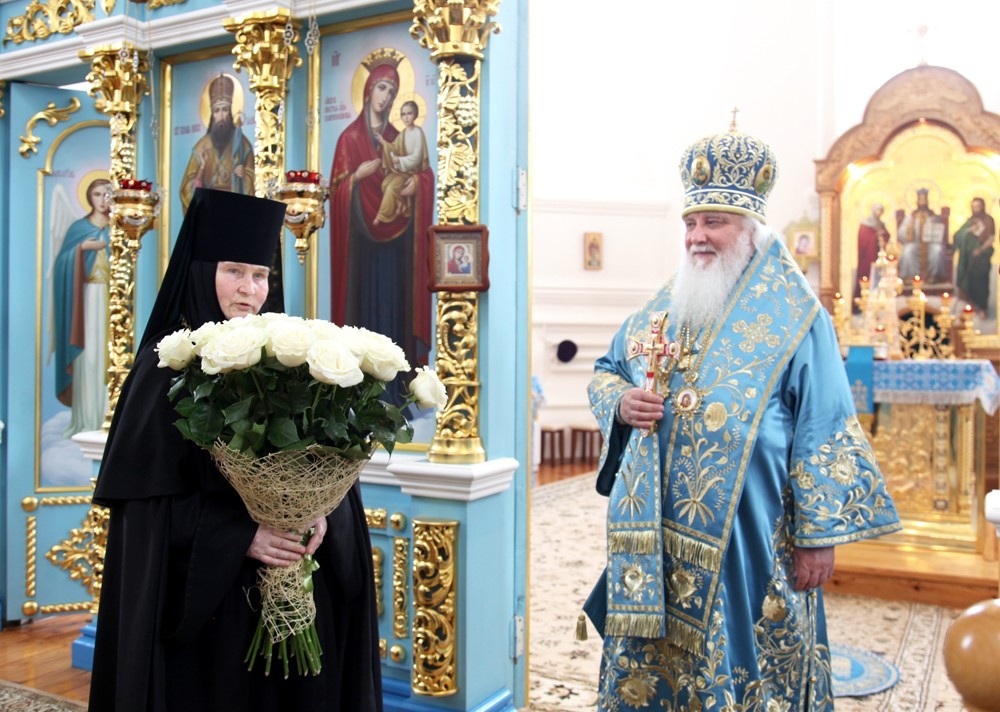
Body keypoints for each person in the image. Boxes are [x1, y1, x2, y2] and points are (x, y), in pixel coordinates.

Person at [585, 129, 901, 711]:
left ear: (751, 227)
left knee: (746, 666)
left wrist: (818, 538)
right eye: (690, 223)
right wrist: (622, 403)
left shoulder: (797, 316)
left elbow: (824, 427)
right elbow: (608, 370)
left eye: (714, 222)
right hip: (658, 537)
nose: (697, 236)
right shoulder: (668, 304)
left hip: (754, 536)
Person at [89, 189, 382, 711]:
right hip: (212, 618)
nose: (250, 290)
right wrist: (243, 536)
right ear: (203, 272)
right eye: (234, 272)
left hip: (294, 584)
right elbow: (145, 512)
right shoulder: (164, 371)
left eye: (261, 275)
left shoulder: (293, 363)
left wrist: (319, 512)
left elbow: (324, 469)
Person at [329, 53, 434, 402]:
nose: (386, 96)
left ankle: (394, 394)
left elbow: (422, 171)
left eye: (391, 90)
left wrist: (417, 184)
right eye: (381, 88)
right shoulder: (349, 139)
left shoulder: (398, 136)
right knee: (361, 315)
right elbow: (336, 190)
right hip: (359, 246)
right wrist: (356, 178)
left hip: (397, 249)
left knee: (394, 314)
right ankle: (357, 396)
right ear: (369, 90)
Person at [52, 177, 111, 436]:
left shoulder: (121, 227)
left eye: (107, 194)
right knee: (89, 357)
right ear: (89, 197)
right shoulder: (79, 229)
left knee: (109, 354)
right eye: (97, 194)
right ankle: (86, 420)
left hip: (115, 300)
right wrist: (81, 249)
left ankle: (110, 415)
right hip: (86, 301)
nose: (102, 200)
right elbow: (61, 265)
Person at [179, 74, 255, 214]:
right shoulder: (201, 146)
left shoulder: (243, 145)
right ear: (212, 114)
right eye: (217, 111)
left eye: (225, 110)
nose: (221, 116)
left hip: (233, 211)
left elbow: (254, 179)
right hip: (209, 212)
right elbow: (186, 189)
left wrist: (244, 175)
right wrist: (202, 168)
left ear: (230, 112)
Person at [375, 100, 429, 225]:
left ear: (415, 115)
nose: (406, 117)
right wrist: (383, 142)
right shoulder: (403, 134)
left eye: (409, 113)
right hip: (401, 171)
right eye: (403, 114)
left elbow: (417, 157)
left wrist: (399, 160)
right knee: (384, 184)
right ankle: (401, 203)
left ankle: (381, 216)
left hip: (411, 172)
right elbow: (394, 148)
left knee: (391, 188)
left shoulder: (418, 133)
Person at [954, 197, 996, 315]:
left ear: (982, 206)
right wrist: (969, 230)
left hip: (982, 257)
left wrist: (980, 250)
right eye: (973, 206)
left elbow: (991, 238)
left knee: (981, 281)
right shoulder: (970, 221)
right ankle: (970, 305)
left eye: (978, 206)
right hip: (968, 257)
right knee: (969, 280)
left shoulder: (989, 220)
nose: (976, 209)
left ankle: (982, 307)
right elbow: (958, 236)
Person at [897, 188, 948, 284]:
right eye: (921, 199)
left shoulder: (934, 217)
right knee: (908, 251)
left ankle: (934, 276)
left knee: (937, 250)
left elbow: (941, 232)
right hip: (915, 242)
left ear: (927, 201)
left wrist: (934, 229)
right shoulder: (911, 217)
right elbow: (901, 234)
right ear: (917, 201)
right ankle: (910, 277)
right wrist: (908, 231)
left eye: (924, 200)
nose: (923, 202)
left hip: (930, 244)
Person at [854, 204, 889, 305]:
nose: (879, 213)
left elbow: (887, 236)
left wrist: (883, 235)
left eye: (881, 211)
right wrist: (875, 236)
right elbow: (863, 240)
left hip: (880, 256)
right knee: (868, 275)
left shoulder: (881, 224)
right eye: (877, 211)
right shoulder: (865, 225)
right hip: (868, 257)